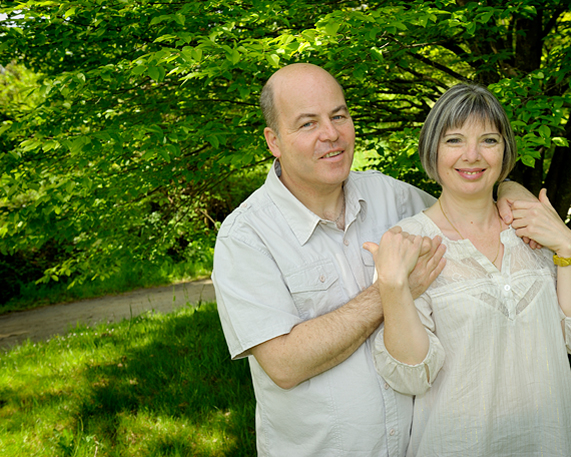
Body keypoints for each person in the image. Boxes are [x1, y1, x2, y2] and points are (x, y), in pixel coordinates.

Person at [212, 63, 536, 456]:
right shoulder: (245, 237)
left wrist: (514, 194)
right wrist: (390, 290)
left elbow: (467, 198)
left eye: (338, 116)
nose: (330, 134)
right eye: (308, 124)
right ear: (274, 141)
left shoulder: (390, 196)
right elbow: (284, 365)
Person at [366, 83, 571, 456]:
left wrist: (568, 245)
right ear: (433, 150)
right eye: (455, 140)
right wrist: (393, 289)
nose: (472, 155)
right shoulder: (410, 242)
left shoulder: (533, 229)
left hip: (551, 442)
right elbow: (412, 374)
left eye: (489, 140)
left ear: (505, 149)